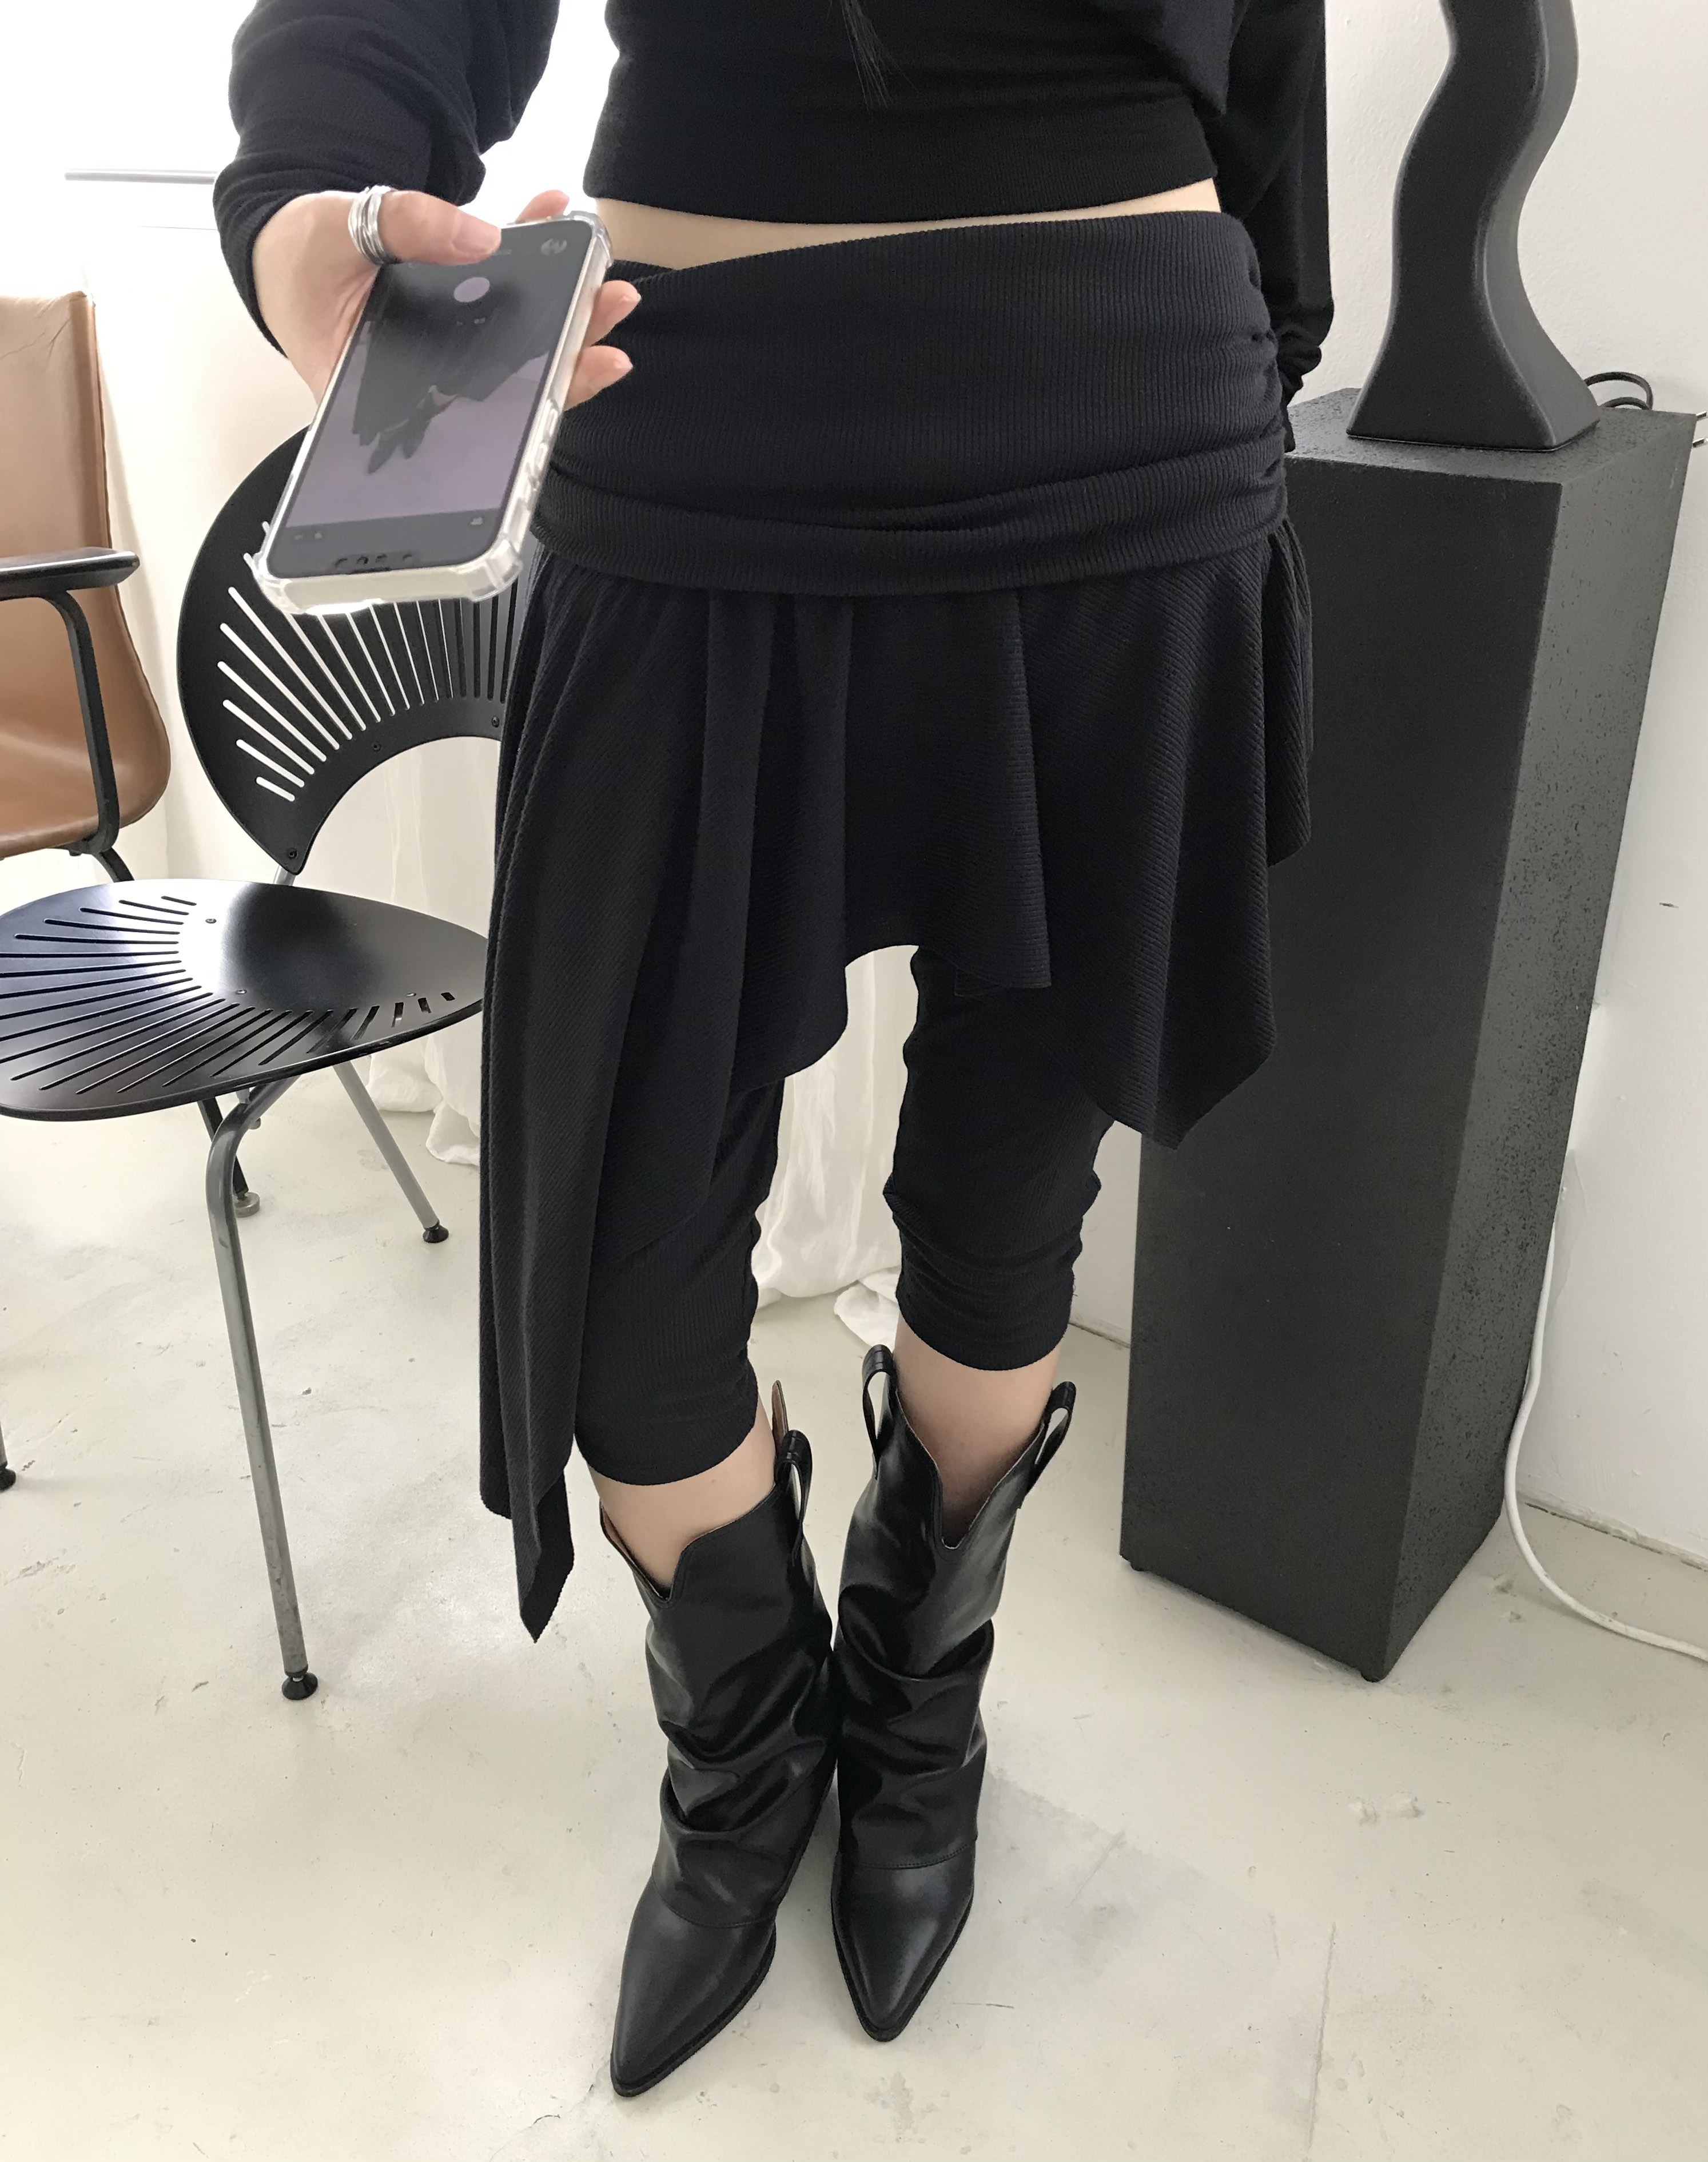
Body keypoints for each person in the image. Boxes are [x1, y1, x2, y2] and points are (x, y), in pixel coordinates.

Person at [216, 0, 1331, 2098]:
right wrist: (305, 193)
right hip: (697, 441)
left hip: (1128, 439)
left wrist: (1259, 363)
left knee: (1005, 1219)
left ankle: (917, 1706)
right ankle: (748, 1742)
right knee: (619, 1268)